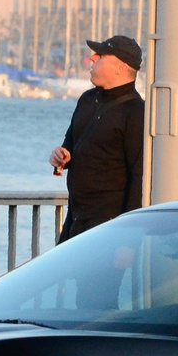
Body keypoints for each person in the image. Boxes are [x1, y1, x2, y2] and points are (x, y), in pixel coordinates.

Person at [49, 35, 145, 241]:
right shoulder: (87, 99)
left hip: (110, 223)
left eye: (101, 56)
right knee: (63, 273)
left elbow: (139, 176)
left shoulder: (136, 111)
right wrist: (61, 156)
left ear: (120, 68)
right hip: (76, 216)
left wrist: (129, 238)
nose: (92, 59)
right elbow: (70, 144)